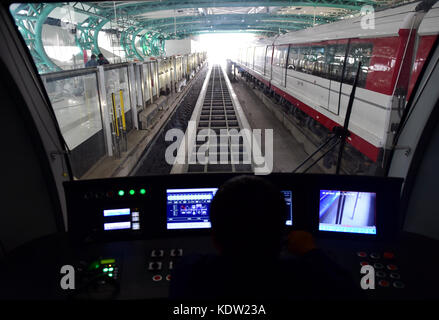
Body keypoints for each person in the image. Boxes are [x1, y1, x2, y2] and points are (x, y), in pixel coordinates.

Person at [169, 175, 360, 300]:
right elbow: (348, 290)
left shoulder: (190, 273)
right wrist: (311, 252)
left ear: (215, 240)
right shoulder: (306, 278)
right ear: (281, 239)